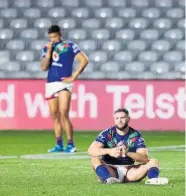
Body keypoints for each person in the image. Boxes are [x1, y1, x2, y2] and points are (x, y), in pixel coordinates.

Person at [88, 108, 168, 184]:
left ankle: (153, 180)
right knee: (94, 160)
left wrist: (127, 153)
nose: (120, 121)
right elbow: (91, 150)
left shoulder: (136, 135)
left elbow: (144, 158)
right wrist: (110, 151)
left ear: (128, 119)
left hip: (130, 172)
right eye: (117, 118)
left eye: (122, 118)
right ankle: (108, 179)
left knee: (154, 161)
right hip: (110, 169)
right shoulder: (107, 133)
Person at [41, 25, 88, 153]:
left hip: (63, 83)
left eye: (55, 37)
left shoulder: (69, 46)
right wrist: (49, 52)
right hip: (51, 83)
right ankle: (58, 144)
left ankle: (71, 144)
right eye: (50, 37)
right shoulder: (47, 48)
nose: (53, 39)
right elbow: (44, 67)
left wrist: (74, 76)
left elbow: (84, 60)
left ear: (60, 34)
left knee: (63, 113)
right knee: (54, 115)